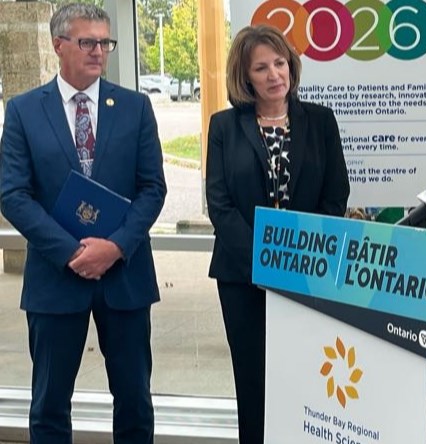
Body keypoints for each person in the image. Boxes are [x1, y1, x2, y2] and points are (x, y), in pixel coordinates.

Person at [0, 4, 166, 443]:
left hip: (124, 277)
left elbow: (153, 188)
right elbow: (13, 194)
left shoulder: (135, 107)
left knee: (134, 401)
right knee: (50, 406)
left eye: (105, 43)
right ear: (58, 45)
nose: (98, 51)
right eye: (87, 42)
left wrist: (113, 247)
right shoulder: (22, 112)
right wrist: (72, 253)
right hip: (56, 280)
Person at [205, 24, 350, 444]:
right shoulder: (224, 126)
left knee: (307, 379)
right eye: (261, 67)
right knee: (254, 384)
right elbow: (220, 203)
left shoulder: (320, 121)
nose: (274, 75)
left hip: (306, 274)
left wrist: (296, 259)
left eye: (280, 63)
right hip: (242, 277)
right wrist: (264, 261)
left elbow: (335, 195)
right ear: (244, 76)